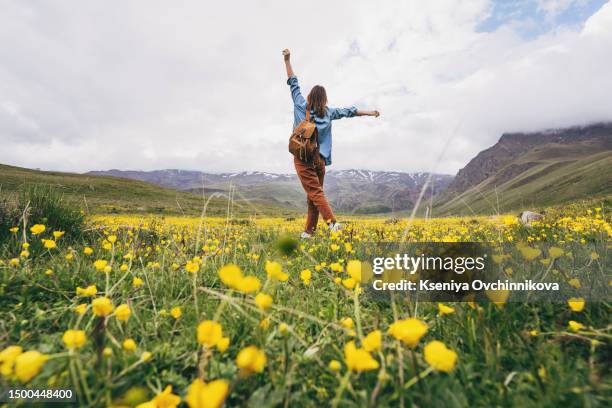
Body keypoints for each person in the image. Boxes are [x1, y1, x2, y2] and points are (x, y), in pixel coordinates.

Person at [283, 49, 380, 238]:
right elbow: (349, 111)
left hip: (302, 157)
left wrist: (287, 60)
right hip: (319, 160)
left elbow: (293, 82)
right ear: (324, 99)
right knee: (314, 195)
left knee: (315, 193)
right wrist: (370, 112)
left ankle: (333, 224)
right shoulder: (329, 113)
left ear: (310, 96)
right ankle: (308, 233)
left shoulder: (300, 105)